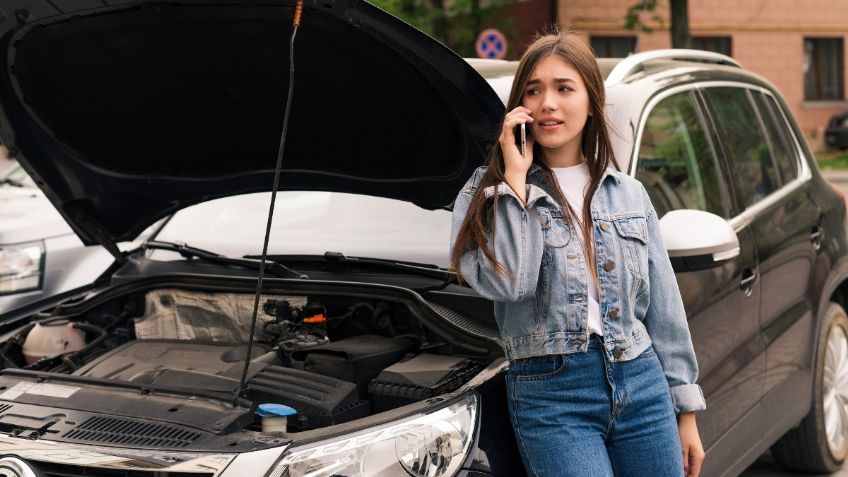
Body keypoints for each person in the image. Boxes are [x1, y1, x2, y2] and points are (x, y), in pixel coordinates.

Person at [449, 30, 706, 477]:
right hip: (552, 395)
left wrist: (685, 410)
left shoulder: (629, 194)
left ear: (591, 101)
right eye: (534, 90)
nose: (548, 103)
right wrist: (515, 178)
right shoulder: (488, 194)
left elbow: (665, 311)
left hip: (641, 382)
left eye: (564, 88)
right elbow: (511, 282)